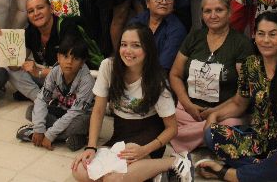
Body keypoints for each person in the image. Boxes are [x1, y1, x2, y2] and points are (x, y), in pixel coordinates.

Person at [197, 11, 277, 181]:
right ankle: (268, 172)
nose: (266, 40)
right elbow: (239, 103)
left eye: (273, 34)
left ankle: (228, 173)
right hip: (259, 141)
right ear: (254, 36)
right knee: (211, 134)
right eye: (261, 34)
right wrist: (214, 115)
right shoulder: (250, 65)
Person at [71, 24, 193, 182]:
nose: (127, 51)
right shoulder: (108, 66)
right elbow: (99, 110)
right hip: (121, 132)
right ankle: (151, 174)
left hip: (149, 135)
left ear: (147, 48)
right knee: (80, 171)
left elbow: (172, 129)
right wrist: (91, 147)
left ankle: (174, 161)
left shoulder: (158, 81)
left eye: (136, 45)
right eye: (123, 44)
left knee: (113, 179)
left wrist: (144, 150)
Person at [168, 0, 253, 153]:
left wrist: (215, 112)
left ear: (229, 13)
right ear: (202, 14)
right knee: (166, 114)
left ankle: (183, 135)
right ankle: (207, 138)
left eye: (219, 10)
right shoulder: (194, 37)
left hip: (225, 114)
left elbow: (243, 95)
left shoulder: (242, 44)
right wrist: (187, 104)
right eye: (208, 11)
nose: (213, 15)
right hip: (188, 111)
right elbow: (175, 74)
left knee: (231, 125)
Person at [15, 35, 95, 152]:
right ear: (58, 57)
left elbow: (75, 112)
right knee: (30, 110)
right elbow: (42, 99)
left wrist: (50, 135)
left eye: (76, 58)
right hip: (62, 111)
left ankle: (39, 136)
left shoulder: (87, 81)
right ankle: (71, 138)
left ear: (83, 62)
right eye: (65, 56)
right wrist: (39, 127)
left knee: (79, 125)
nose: (69, 62)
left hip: (81, 116)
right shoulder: (55, 72)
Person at [0, 0, 70, 101]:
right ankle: (43, 100)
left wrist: (38, 71)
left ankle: (49, 100)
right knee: (8, 65)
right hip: (49, 77)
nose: (36, 13)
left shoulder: (66, 27)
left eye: (40, 8)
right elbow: (15, 66)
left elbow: (71, 68)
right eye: (31, 11)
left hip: (70, 77)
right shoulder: (31, 31)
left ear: (51, 8)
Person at [129, 0, 186, 72]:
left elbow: (164, 66)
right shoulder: (137, 21)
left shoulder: (177, 29)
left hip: (159, 77)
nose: (163, 2)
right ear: (147, 2)